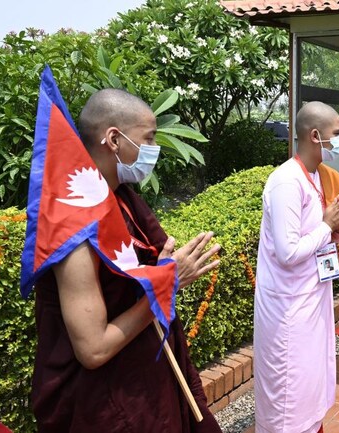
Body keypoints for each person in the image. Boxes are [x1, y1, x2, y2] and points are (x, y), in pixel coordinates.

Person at [31, 89, 223, 432]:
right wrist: (169, 281)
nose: (154, 150)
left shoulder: (119, 198)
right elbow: (93, 350)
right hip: (108, 401)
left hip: (144, 376)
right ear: (114, 139)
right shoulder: (74, 227)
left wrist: (160, 273)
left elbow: (136, 279)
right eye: (148, 138)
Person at [254, 101, 339, 433]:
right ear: (315, 135)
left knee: (311, 377)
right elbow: (288, 252)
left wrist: (338, 226)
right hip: (288, 305)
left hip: (313, 295)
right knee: (289, 384)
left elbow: (325, 236)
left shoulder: (322, 176)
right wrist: (328, 225)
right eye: (336, 134)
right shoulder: (286, 181)